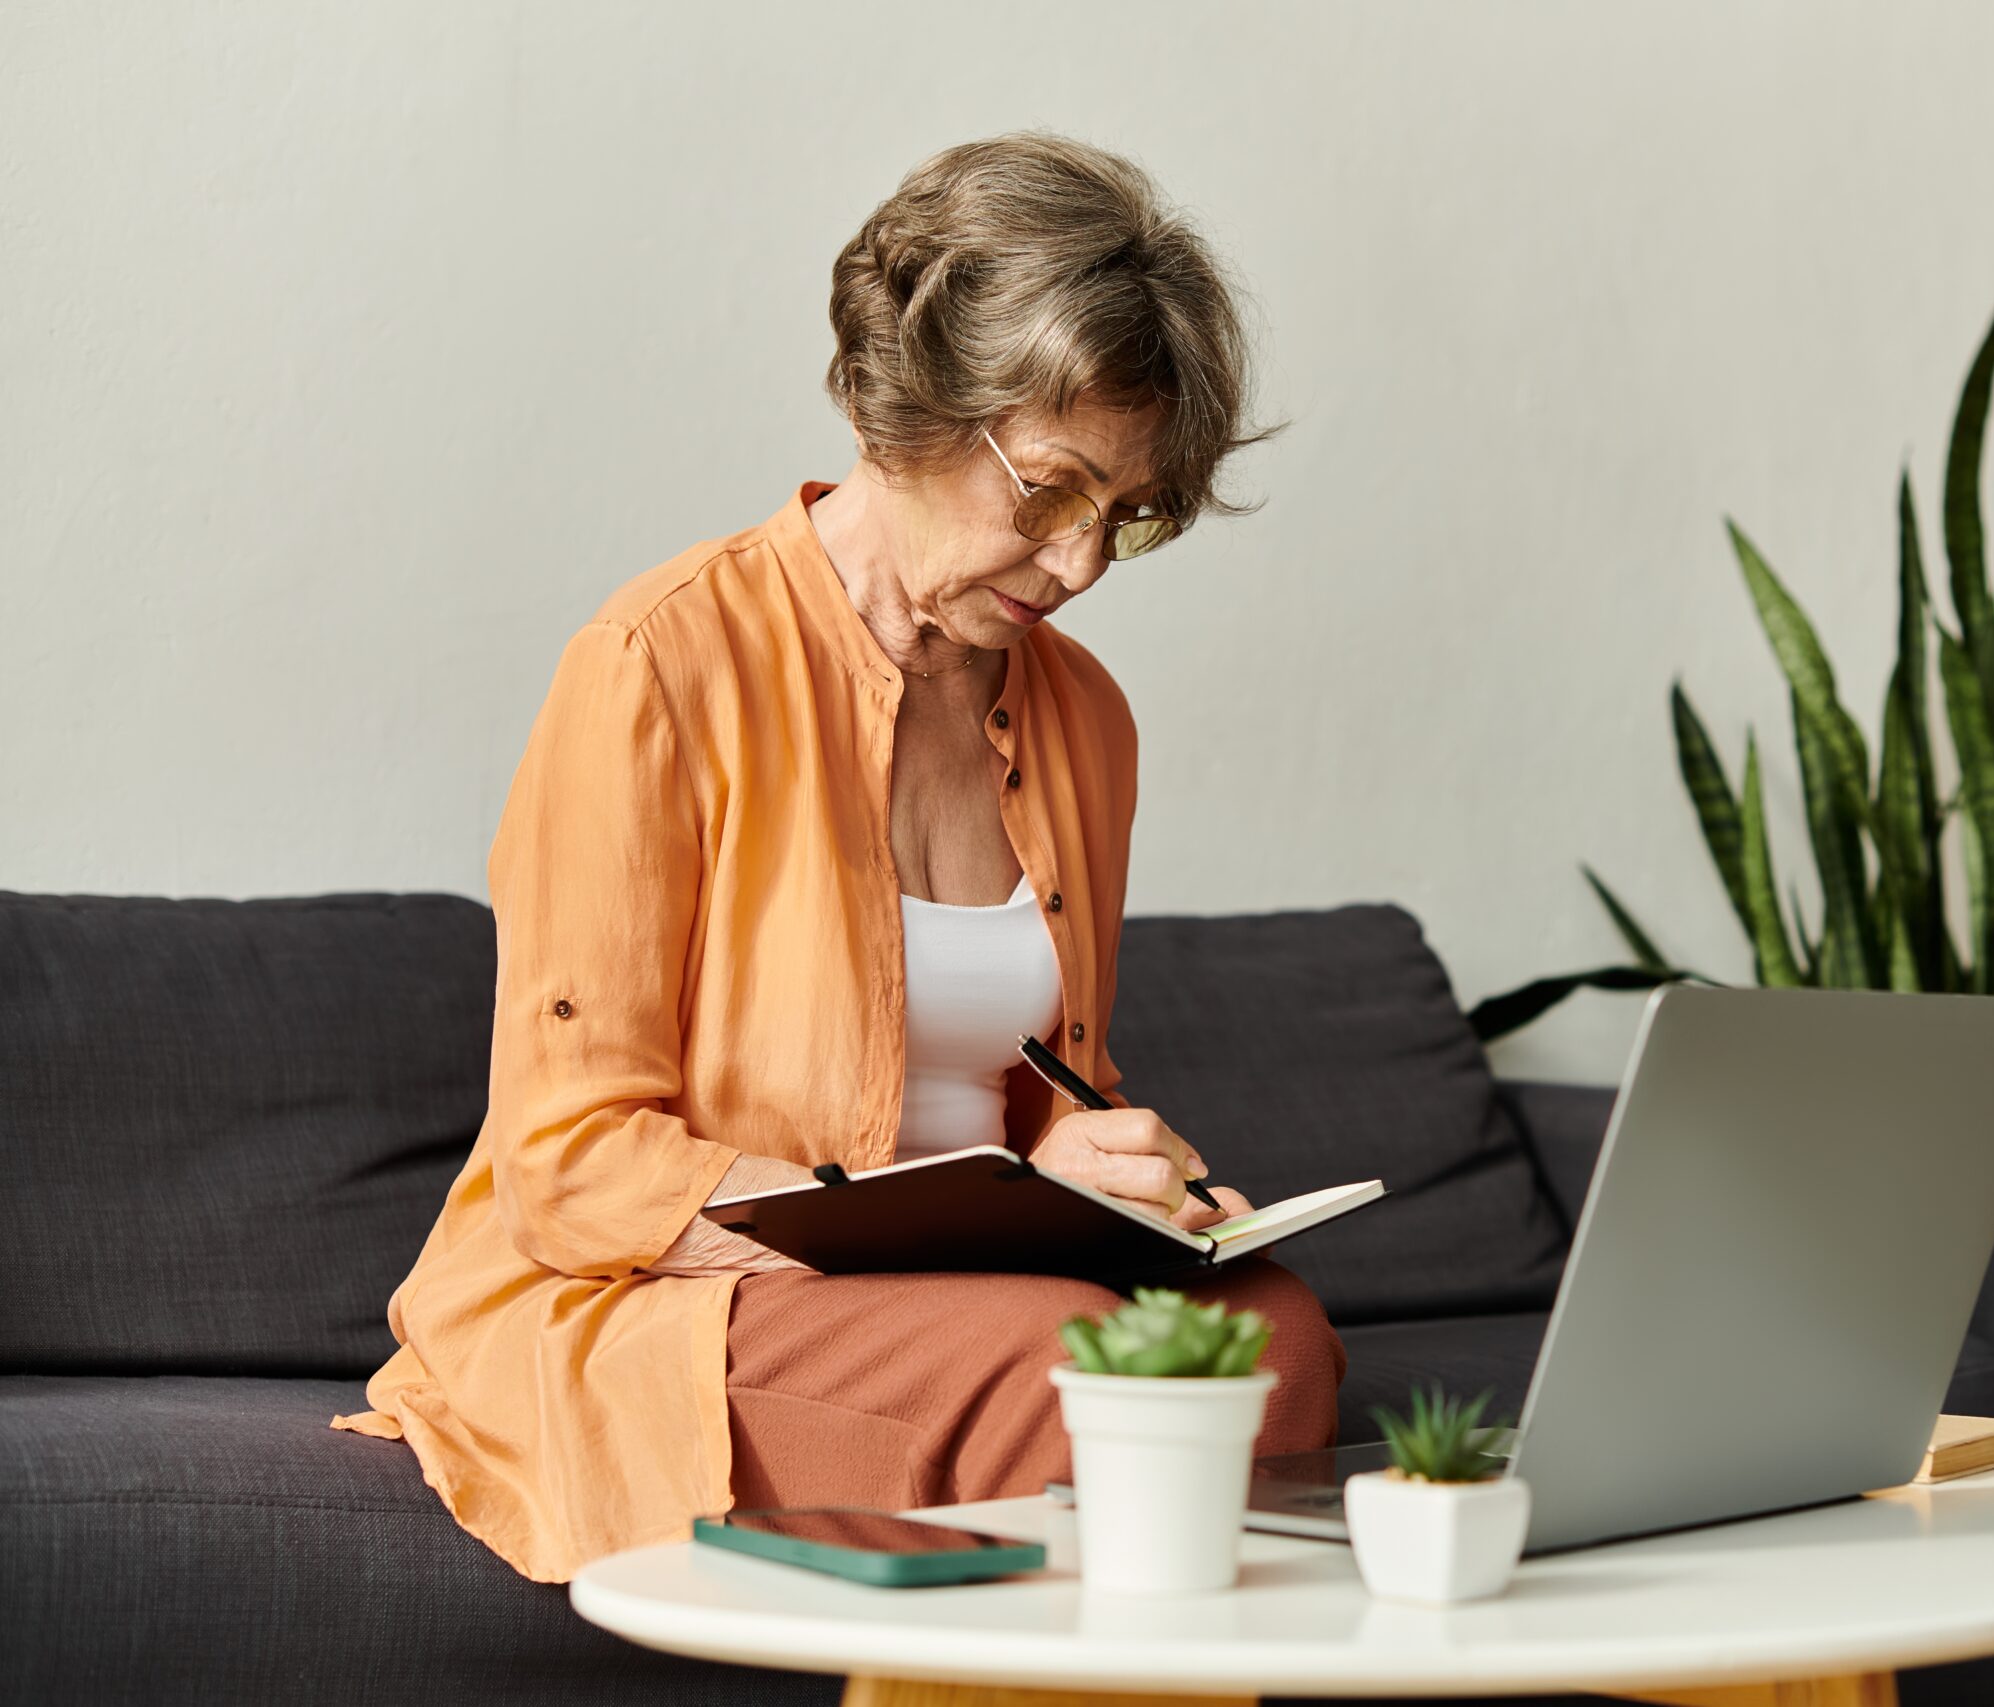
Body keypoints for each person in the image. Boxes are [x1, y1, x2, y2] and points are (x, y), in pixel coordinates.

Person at [329, 132, 1346, 1584]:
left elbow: (1044, 1086)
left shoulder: (1084, 719)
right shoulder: (659, 665)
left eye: (1129, 516)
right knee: (1085, 1375)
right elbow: (567, 1164)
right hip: (655, 1302)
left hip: (963, 1291)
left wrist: (1088, 1163)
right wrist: (908, 1235)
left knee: (1279, 1338)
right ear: (911, 412)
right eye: (1053, 491)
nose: (1080, 569)